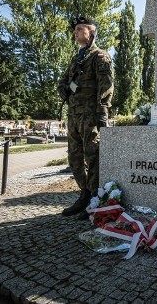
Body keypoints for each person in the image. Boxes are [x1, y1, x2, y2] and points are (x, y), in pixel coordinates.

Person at [57, 16, 114, 220]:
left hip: (91, 115)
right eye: (75, 30)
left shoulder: (100, 57)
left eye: (80, 29)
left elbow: (105, 88)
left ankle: (93, 198)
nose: (76, 32)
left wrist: (102, 113)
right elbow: (63, 79)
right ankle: (84, 193)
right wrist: (62, 88)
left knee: (93, 156)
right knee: (74, 157)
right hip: (73, 115)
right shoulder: (77, 58)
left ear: (91, 32)